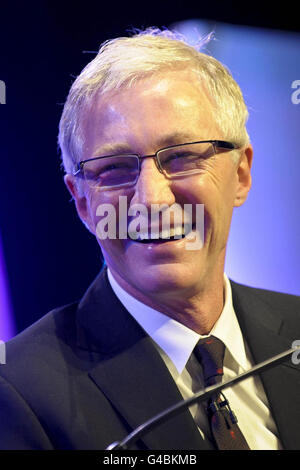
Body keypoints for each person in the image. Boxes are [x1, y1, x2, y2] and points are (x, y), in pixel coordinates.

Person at [0, 27, 299, 451]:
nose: (152, 200)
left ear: (241, 174)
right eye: (115, 168)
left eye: (181, 156)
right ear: (82, 203)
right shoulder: (21, 396)